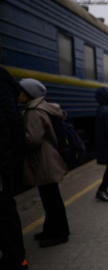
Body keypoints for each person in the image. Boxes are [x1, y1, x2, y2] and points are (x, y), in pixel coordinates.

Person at [17, 78, 70, 247]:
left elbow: (33, 139)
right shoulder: (44, 107)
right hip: (49, 158)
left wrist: (17, 141)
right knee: (52, 197)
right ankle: (51, 230)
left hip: (43, 161)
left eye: (20, 91)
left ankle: (58, 234)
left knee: (50, 199)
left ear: (28, 93)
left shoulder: (33, 111)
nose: (17, 95)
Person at [0, 67, 28, 269]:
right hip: (5, 159)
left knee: (4, 210)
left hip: (2, 161)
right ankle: (16, 258)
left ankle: (16, 259)